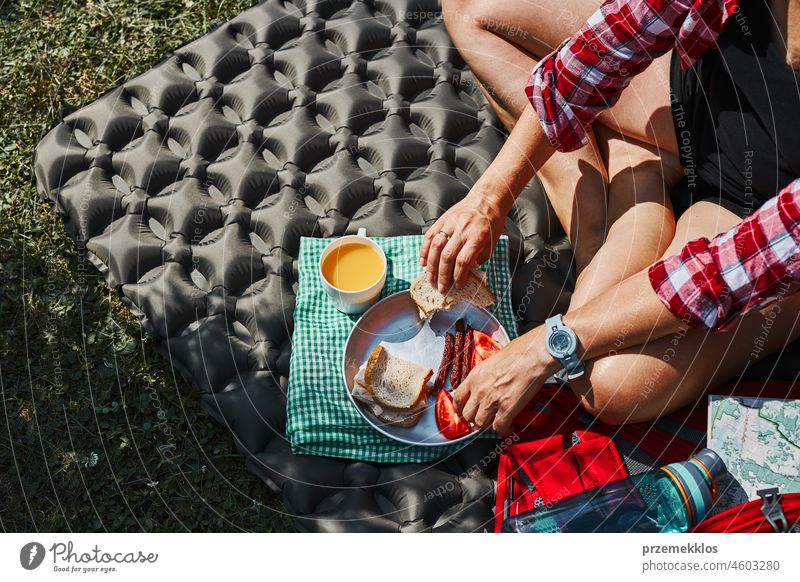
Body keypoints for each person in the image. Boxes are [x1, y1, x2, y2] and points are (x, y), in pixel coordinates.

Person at [418, 0, 800, 433]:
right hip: (701, 95)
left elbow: (724, 273)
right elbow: (606, 47)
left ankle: (635, 162)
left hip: (762, 219)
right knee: (471, 13)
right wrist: (489, 198)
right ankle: (602, 203)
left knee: (607, 385)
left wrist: (548, 344)